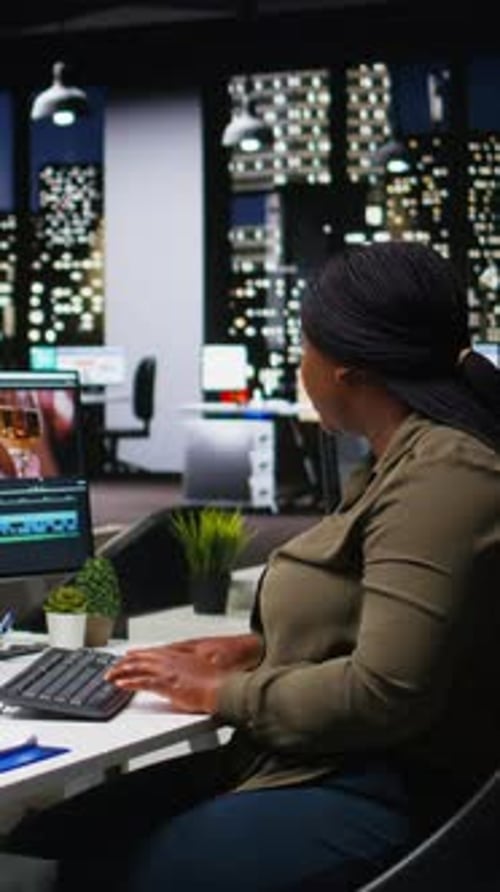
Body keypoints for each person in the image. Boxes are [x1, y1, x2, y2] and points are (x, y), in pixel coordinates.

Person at [7, 241, 500, 891]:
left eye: (304, 347)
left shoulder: (443, 477)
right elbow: (377, 616)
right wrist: (254, 648)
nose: (300, 366)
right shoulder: (398, 465)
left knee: (70, 874)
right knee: (39, 842)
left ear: (347, 369)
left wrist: (219, 693)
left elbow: (386, 695)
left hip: (377, 785)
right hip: (316, 759)